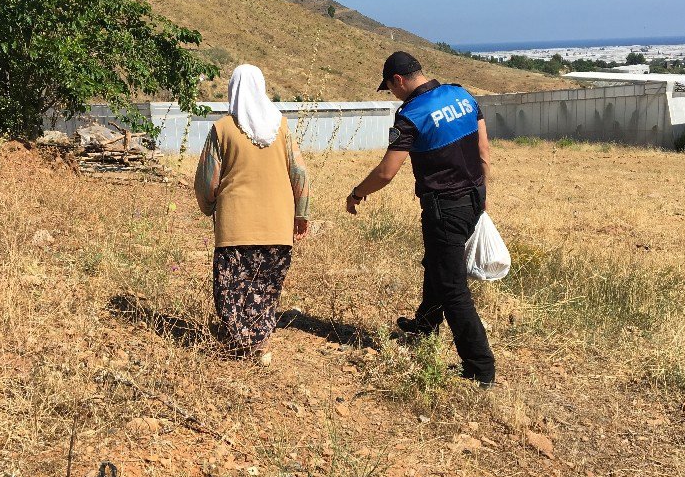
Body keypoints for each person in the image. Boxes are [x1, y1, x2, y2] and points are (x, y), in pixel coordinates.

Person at [345, 52, 495, 386]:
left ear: (398, 80)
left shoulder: (410, 116)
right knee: (438, 263)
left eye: (389, 88)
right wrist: (481, 196)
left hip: (445, 206)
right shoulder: (462, 94)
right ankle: (425, 325)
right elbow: (484, 151)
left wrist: (356, 193)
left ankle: (480, 367)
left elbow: (386, 172)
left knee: (453, 287)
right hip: (473, 197)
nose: (392, 95)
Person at [195, 64, 310, 360]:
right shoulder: (281, 127)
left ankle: (242, 342)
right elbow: (299, 173)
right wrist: (301, 214)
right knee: (267, 287)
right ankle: (260, 344)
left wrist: (208, 206)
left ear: (233, 89)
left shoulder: (222, 129)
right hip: (277, 226)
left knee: (232, 288)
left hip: (236, 225)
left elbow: (208, 179)